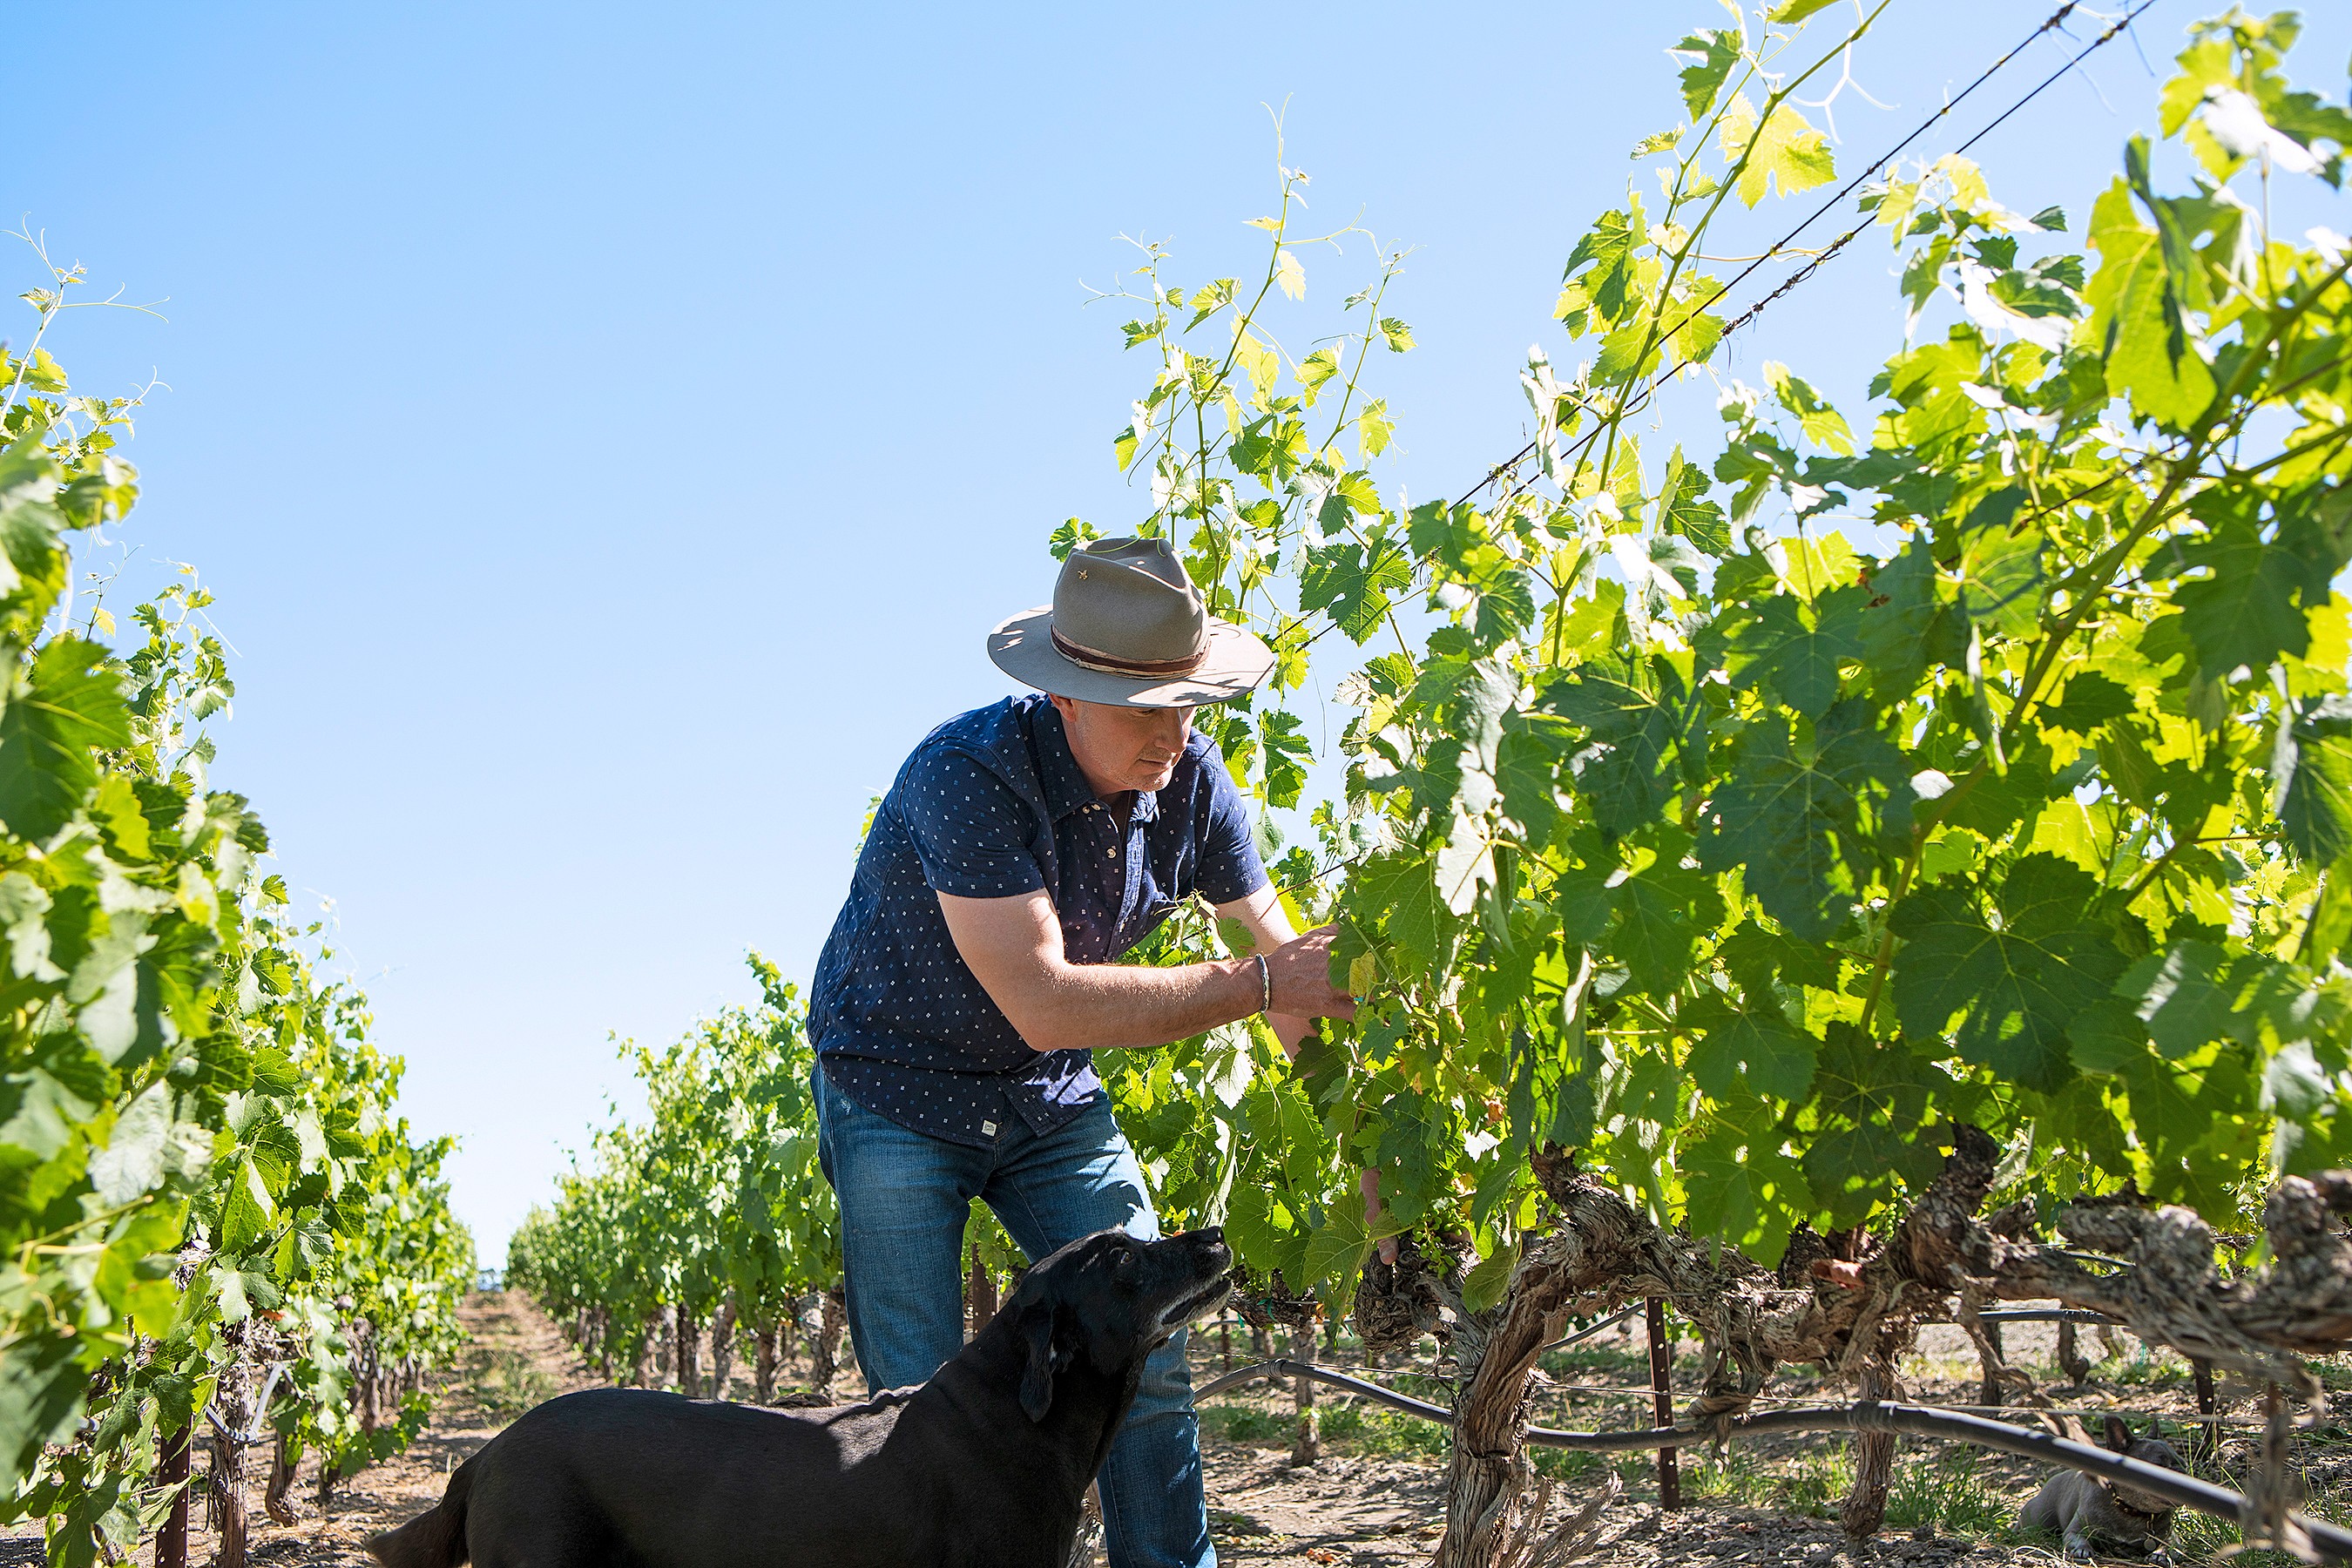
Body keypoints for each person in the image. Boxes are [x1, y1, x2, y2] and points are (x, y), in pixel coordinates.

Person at [807, 537, 1356, 1568]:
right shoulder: (966, 775)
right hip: (897, 1089)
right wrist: (1262, 986)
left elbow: (1288, 966)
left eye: (1189, 705)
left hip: (1046, 1098)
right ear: (1063, 696)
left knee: (1148, 1344)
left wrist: (1365, 1151)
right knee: (922, 1404)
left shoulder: (1194, 785)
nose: (1175, 736)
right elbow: (1045, 1001)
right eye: (1146, 710)